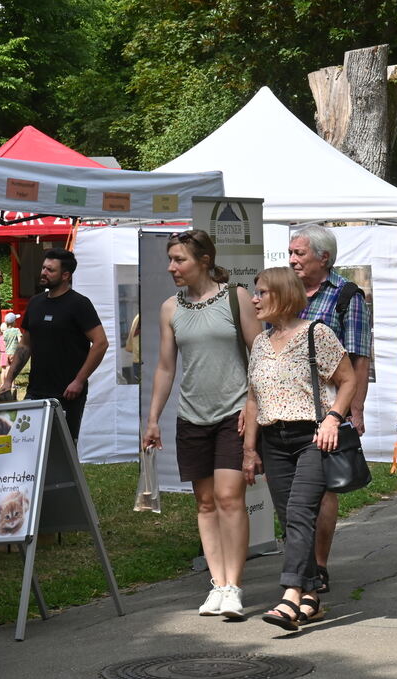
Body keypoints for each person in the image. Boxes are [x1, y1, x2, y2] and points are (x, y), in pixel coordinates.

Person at [142, 230, 261, 618]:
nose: (172, 267)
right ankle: (218, 583)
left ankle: (234, 587)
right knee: (205, 503)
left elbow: (259, 355)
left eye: (180, 260)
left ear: (204, 261)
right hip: (191, 416)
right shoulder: (169, 309)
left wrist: (252, 403)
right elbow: (165, 367)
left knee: (229, 499)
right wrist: (153, 418)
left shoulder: (235, 297)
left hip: (233, 414)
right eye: (171, 260)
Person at [241, 267, 357, 631]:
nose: (255, 299)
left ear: (283, 295)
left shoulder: (316, 334)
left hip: (313, 437)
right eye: (255, 293)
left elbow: (348, 379)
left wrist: (334, 418)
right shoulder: (260, 342)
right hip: (272, 440)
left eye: (261, 292)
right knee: (290, 519)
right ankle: (311, 598)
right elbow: (254, 398)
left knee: (300, 513)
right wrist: (249, 449)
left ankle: (290, 595)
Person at [287, 224, 372, 595]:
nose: (292, 260)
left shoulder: (347, 297)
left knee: (323, 489)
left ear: (324, 257)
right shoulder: (285, 291)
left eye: (299, 253)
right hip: (286, 406)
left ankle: (317, 565)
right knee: (290, 490)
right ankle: (299, 564)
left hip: (328, 410)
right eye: (290, 253)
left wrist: (355, 409)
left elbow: (358, 358)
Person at [0, 248, 108, 442]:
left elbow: (101, 343)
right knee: (28, 444)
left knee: (63, 448)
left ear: (65, 275)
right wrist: (8, 380)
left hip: (68, 392)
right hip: (36, 390)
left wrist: (79, 381)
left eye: (50, 270)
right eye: (43, 268)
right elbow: (25, 345)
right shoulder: (35, 303)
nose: (43, 272)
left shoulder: (79, 304)